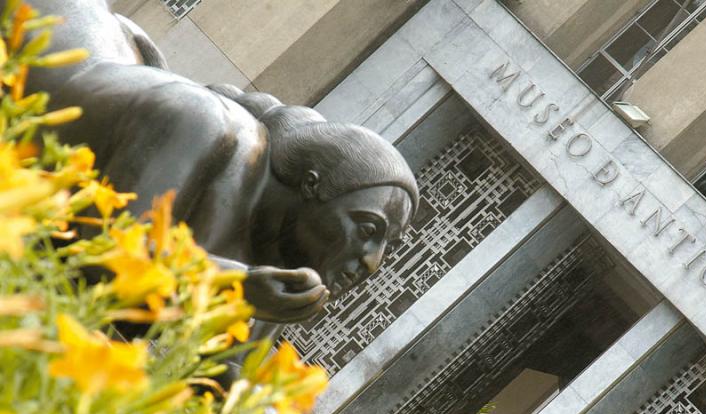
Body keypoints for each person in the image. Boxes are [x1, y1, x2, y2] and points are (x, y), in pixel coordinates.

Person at [14, 0, 419, 324]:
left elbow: (229, 373)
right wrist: (231, 285)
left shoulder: (273, 260)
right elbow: (102, 248)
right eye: (368, 229)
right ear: (312, 186)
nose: (371, 260)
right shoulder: (203, 123)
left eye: (386, 245)